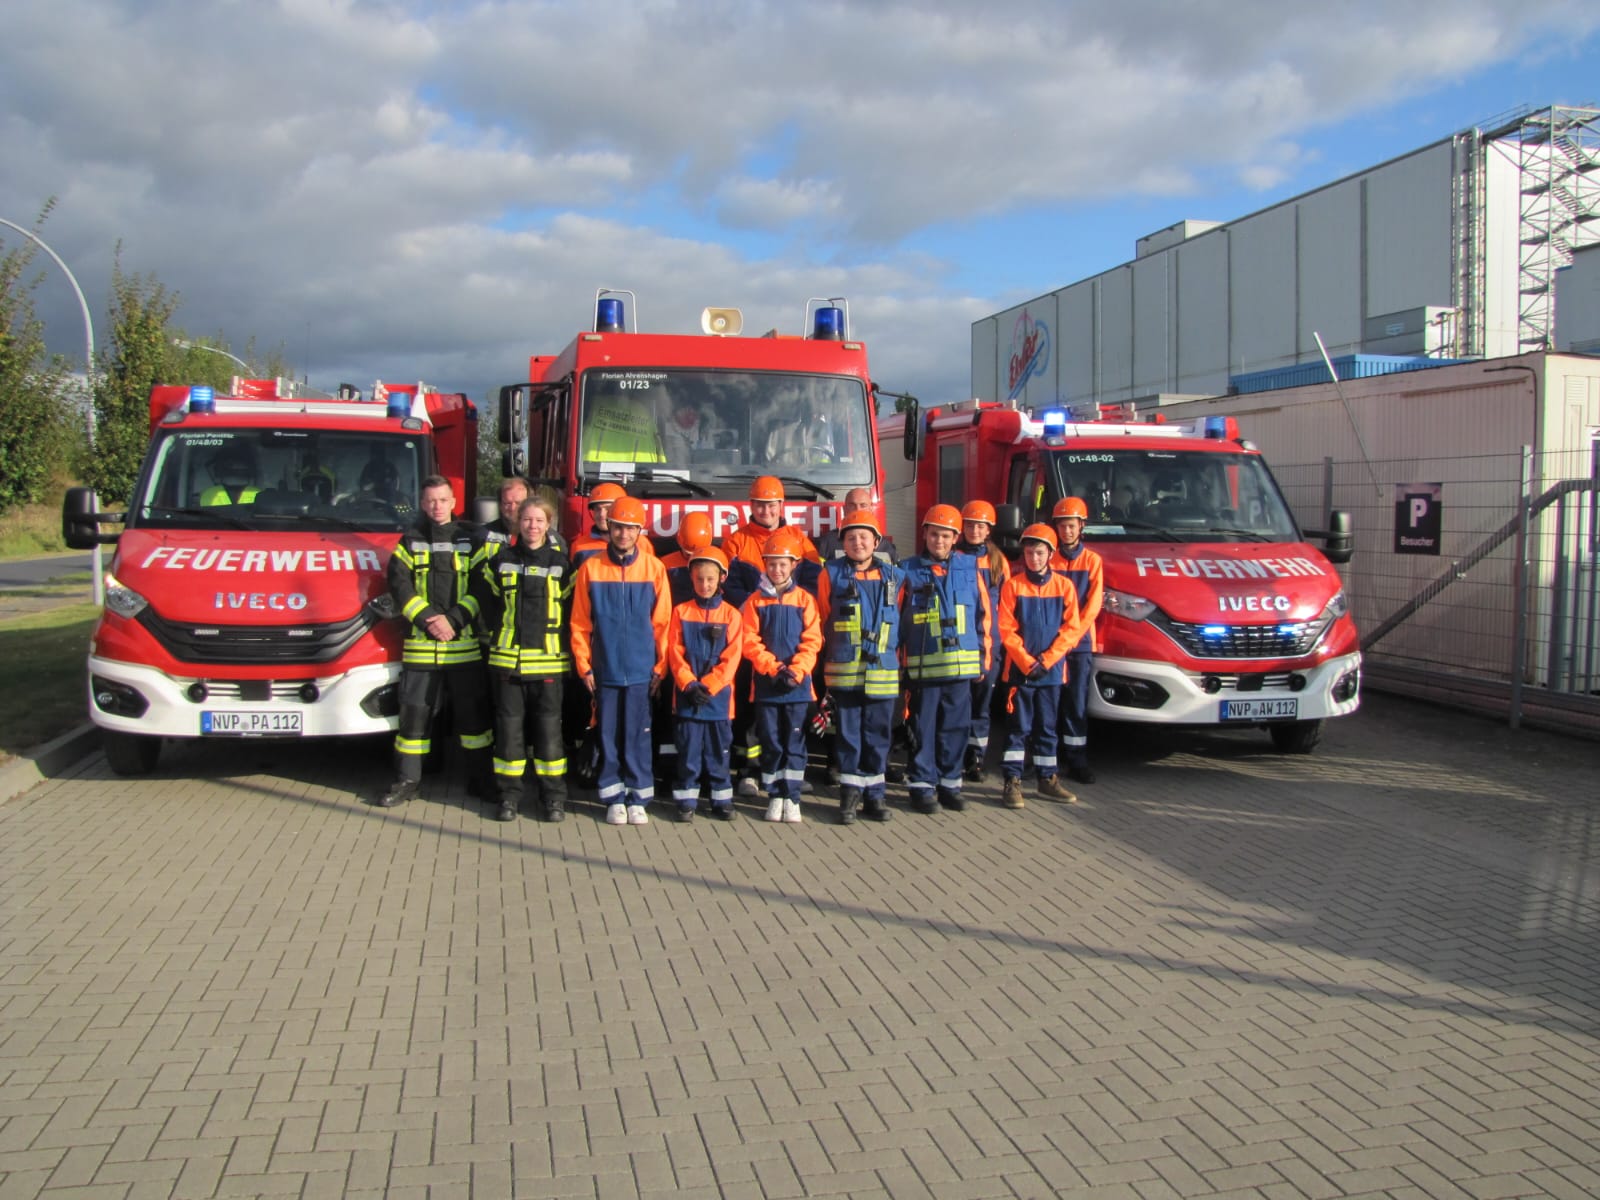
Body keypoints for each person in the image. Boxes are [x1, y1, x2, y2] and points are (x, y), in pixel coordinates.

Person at [377, 476, 493, 809]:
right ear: (423, 504)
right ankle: (406, 781)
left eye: (442, 500)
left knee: (473, 720)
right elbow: (400, 587)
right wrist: (430, 619)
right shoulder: (409, 542)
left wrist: (453, 620)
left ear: (454, 502)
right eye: (430, 501)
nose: (436, 506)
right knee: (413, 718)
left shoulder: (471, 541)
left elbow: (481, 588)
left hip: (463, 646)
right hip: (422, 647)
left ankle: (480, 780)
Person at [570, 495, 671, 826]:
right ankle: (613, 796)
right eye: (618, 527)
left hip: (643, 670)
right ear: (608, 527)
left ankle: (639, 795)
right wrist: (584, 665)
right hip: (606, 668)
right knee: (609, 735)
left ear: (640, 531)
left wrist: (660, 667)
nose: (624, 534)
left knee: (639, 734)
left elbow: (664, 624)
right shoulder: (591, 568)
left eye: (630, 529)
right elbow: (580, 623)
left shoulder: (654, 569)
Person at [474, 494, 572, 823]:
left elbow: (572, 612)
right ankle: (509, 797)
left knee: (548, 735)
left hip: (548, 664)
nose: (532, 526)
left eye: (539, 521)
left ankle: (553, 798)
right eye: (527, 520)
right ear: (519, 522)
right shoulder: (500, 559)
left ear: (549, 525)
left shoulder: (561, 564)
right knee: (509, 734)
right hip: (508, 663)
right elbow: (485, 601)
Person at [721, 476, 822, 793]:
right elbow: (729, 590)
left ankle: (791, 772)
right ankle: (749, 771)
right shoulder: (736, 541)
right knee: (752, 709)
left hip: (792, 641)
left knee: (792, 712)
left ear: (782, 505)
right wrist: (759, 610)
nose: (766, 509)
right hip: (752, 637)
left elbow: (812, 586)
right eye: (760, 504)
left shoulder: (801, 541)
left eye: (772, 503)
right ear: (751, 506)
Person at [898, 504, 991, 815]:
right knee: (923, 727)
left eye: (946, 535)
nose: (939, 540)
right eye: (934, 534)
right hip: (924, 669)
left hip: (961, 668)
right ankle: (922, 786)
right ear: (924, 534)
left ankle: (950, 784)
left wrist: (984, 657)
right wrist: (901, 664)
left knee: (955, 726)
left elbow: (984, 616)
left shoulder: (970, 567)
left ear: (956, 538)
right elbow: (896, 619)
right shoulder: (906, 570)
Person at [815, 510, 899, 824]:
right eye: (851, 537)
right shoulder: (830, 573)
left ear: (876, 542)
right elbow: (823, 616)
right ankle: (849, 796)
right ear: (843, 543)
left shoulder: (894, 576)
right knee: (848, 735)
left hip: (882, 671)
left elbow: (899, 618)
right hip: (845, 670)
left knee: (878, 734)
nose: (858, 542)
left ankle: (875, 797)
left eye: (864, 537)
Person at [741, 527, 823, 823]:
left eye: (782, 563)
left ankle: (794, 797)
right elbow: (748, 640)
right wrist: (773, 667)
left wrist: (797, 669)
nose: (776, 569)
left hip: (798, 687)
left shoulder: (805, 600)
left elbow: (813, 640)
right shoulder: (754, 601)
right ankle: (775, 795)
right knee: (772, 741)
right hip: (767, 686)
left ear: (794, 565)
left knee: (795, 742)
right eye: (771, 563)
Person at [997, 524, 1080, 808]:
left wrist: (1048, 659)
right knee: (1018, 727)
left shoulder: (1065, 587)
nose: (1034, 557)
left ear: (1050, 554)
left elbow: (1072, 629)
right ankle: (1012, 781)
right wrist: (1028, 662)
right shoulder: (1013, 585)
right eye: (1029, 552)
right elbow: (1006, 630)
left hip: (1052, 672)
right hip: (1021, 673)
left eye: (1039, 552)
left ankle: (1047, 779)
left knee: (1047, 727)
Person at [666, 546, 744, 822]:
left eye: (710, 579)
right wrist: (688, 683)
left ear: (722, 578)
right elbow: (673, 652)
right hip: (687, 697)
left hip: (719, 700)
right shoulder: (680, 612)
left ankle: (721, 799)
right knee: (688, 751)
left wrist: (708, 685)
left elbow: (732, 658)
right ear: (692, 579)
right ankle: (686, 800)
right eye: (699, 579)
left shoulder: (732, 615)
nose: (705, 584)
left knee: (719, 752)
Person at [1050, 496, 1104, 785]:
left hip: (1080, 643)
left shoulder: (1092, 561)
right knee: (1051, 700)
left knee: (1076, 702)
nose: (1066, 531)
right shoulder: (1049, 558)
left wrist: (1071, 635)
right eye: (1062, 525)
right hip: (1051, 643)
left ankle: (1077, 760)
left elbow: (1093, 606)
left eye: (1071, 526)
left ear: (1081, 526)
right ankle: (1050, 758)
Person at [956, 500, 1010, 782]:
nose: (974, 530)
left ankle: (976, 758)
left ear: (989, 529)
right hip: (961, 641)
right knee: (958, 703)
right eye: (969, 525)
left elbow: (1008, 604)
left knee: (981, 705)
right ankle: (957, 755)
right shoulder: (952, 557)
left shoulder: (998, 562)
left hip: (991, 642)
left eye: (980, 526)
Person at [571, 482, 654, 568]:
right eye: (597, 509)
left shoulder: (642, 543)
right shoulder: (579, 546)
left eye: (608, 509)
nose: (602, 514)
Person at [814, 487, 899, 565]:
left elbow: (896, 577)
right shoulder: (826, 543)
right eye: (852, 505)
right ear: (844, 509)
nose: (858, 510)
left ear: (871, 509)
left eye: (863, 505)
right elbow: (817, 577)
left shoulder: (887, 547)